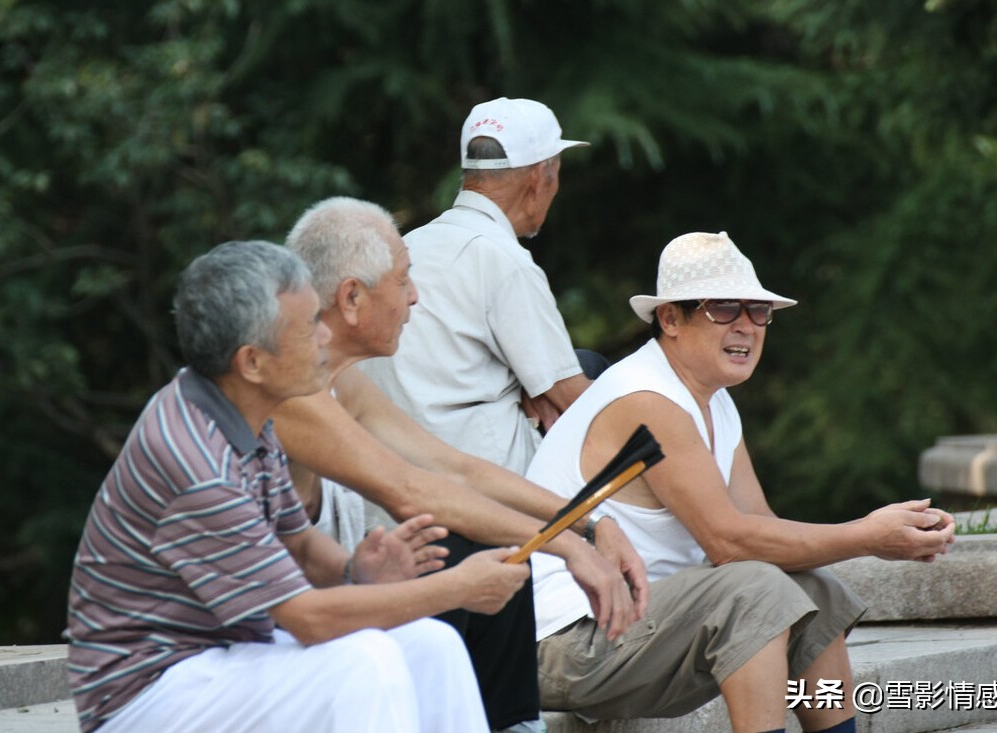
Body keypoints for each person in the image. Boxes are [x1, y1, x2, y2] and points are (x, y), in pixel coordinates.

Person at [65, 241, 530, 733]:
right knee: (365, 661)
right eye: (309, 325)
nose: (326, 335)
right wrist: (459, 587)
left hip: (221, 655)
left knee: (431, 645)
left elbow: (302, 549)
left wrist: (354, 569)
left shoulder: (246, 412)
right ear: (252, 362)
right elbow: (308, 618)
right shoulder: (196, 464)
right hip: (145, 695)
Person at [527, 231, 957, 733]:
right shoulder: (646, 398)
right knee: (754, 588)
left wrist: (885, 533)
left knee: (810, 585)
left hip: (632, 625)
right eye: (725, 308)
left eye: (758, 311)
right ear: (669, 318)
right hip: (562, 644)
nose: (747, 326)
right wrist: (867, 536)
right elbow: (728, 541)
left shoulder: (714, 399)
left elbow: (758, 526)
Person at [277, 197, 647, 733]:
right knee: (464, 557)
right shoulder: (289, 389)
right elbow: (413, 490)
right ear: (352, 298)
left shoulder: (342, 382)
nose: (415, 296)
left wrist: (592, 521)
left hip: (328, 604)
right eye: (404, 280)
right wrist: (568, 543)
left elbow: (456, 470)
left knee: (483, 555)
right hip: (269, 634)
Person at [360, 97, 593, 475]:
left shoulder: (410, 243)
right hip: (474, 485)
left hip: (385, 477)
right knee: (594, 383)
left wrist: (529, 387)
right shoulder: (503, 259)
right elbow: (574, 399)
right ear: (540, 177)